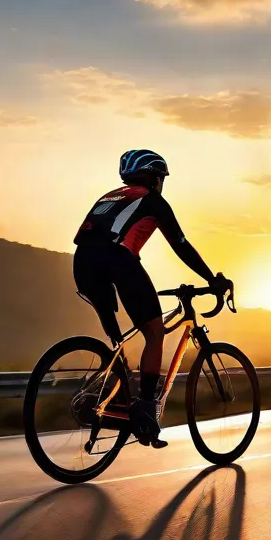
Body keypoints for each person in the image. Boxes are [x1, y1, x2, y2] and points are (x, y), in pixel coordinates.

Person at [73, 149, 229, 448]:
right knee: (154, 333)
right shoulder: (153, 200)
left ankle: (109, 400)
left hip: (82, 262)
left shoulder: (110, 196)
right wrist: (212, 280)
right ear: (156, 178)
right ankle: (145, 409)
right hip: (118, 259)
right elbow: (181, 245)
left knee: (118, 341)